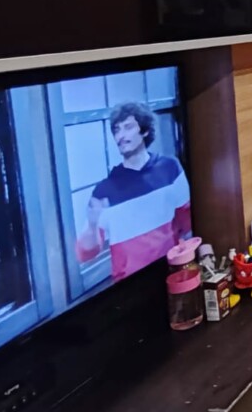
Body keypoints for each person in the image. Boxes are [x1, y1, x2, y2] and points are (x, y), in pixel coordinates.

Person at [76, 103, 191, 282]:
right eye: (116, 130)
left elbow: (187, 220)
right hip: (129, 287)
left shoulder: (170, 168)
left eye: (128, 127)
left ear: (145, 131)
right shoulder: (104, 191)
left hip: (172, 272)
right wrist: (92, 224)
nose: (121, 136)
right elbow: (85, 253)